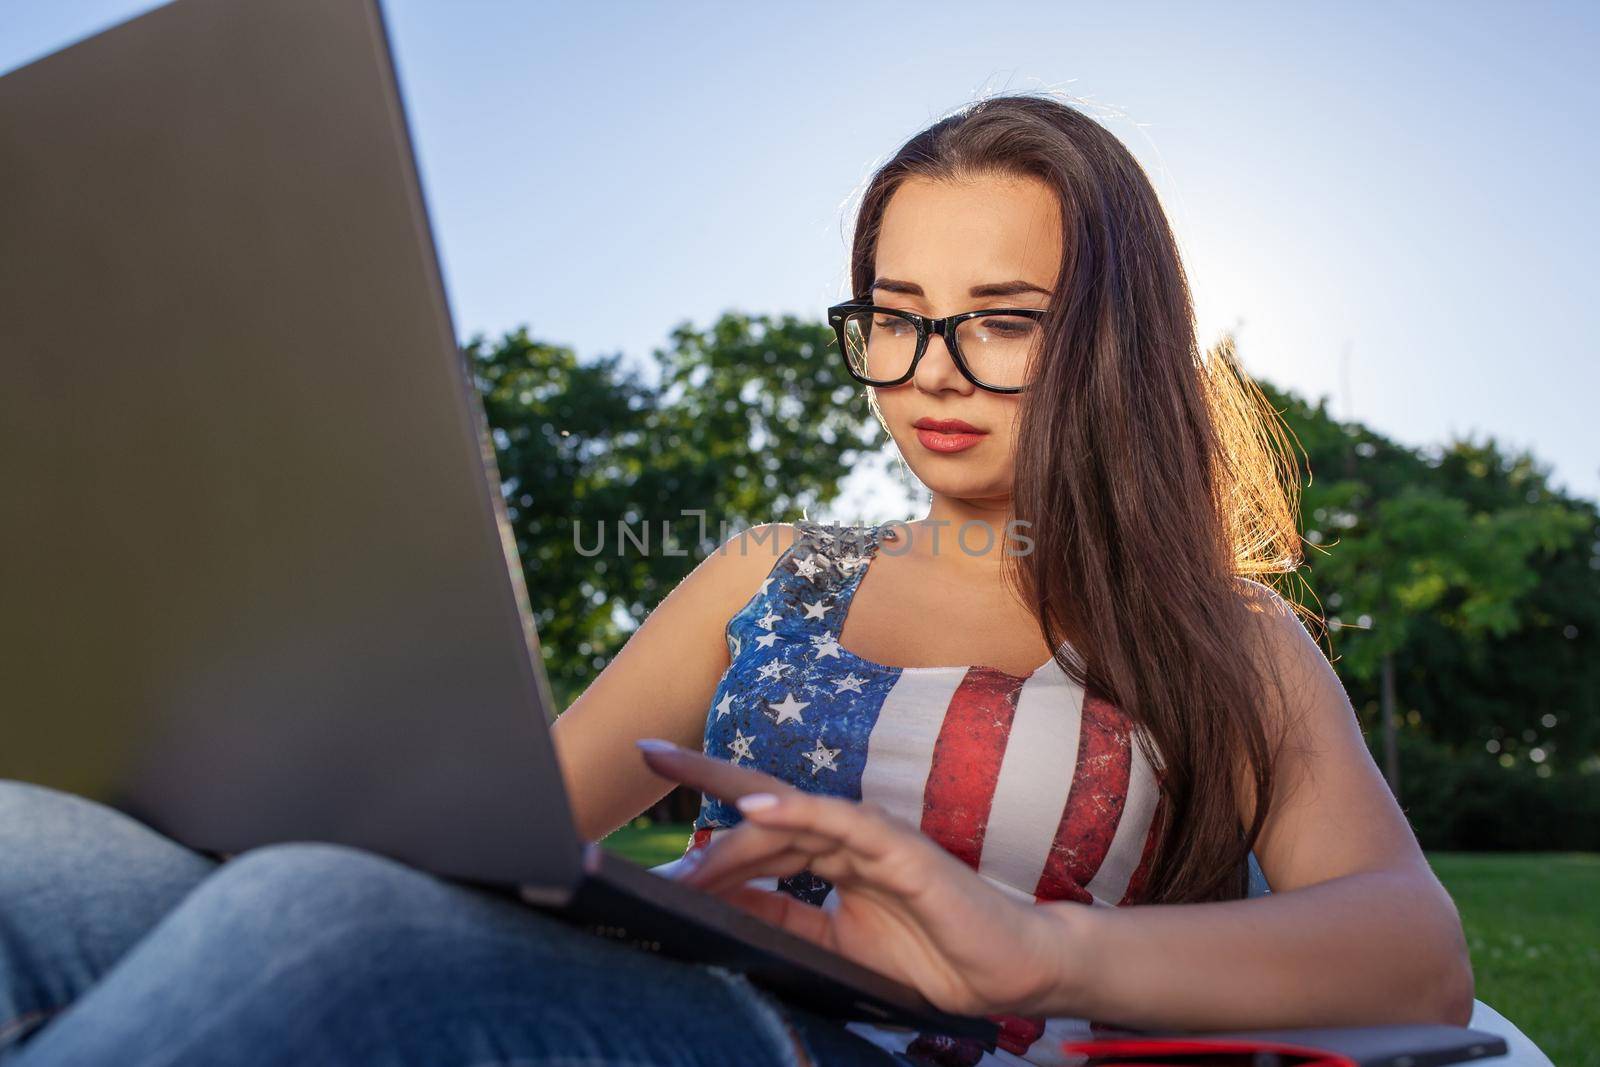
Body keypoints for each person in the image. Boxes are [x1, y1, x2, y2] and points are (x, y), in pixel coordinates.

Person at [0, 92, 1551, 1067]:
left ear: (1111, 336)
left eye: (999, 317)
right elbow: (505, 837)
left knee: (324, 935)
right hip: (667, 974)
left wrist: (1039, 949)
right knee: (28, 839)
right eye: (892, 313)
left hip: (891, 1045)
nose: (925, 370)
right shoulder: (769, 577)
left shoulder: (1232, 639)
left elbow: (1420, 966)